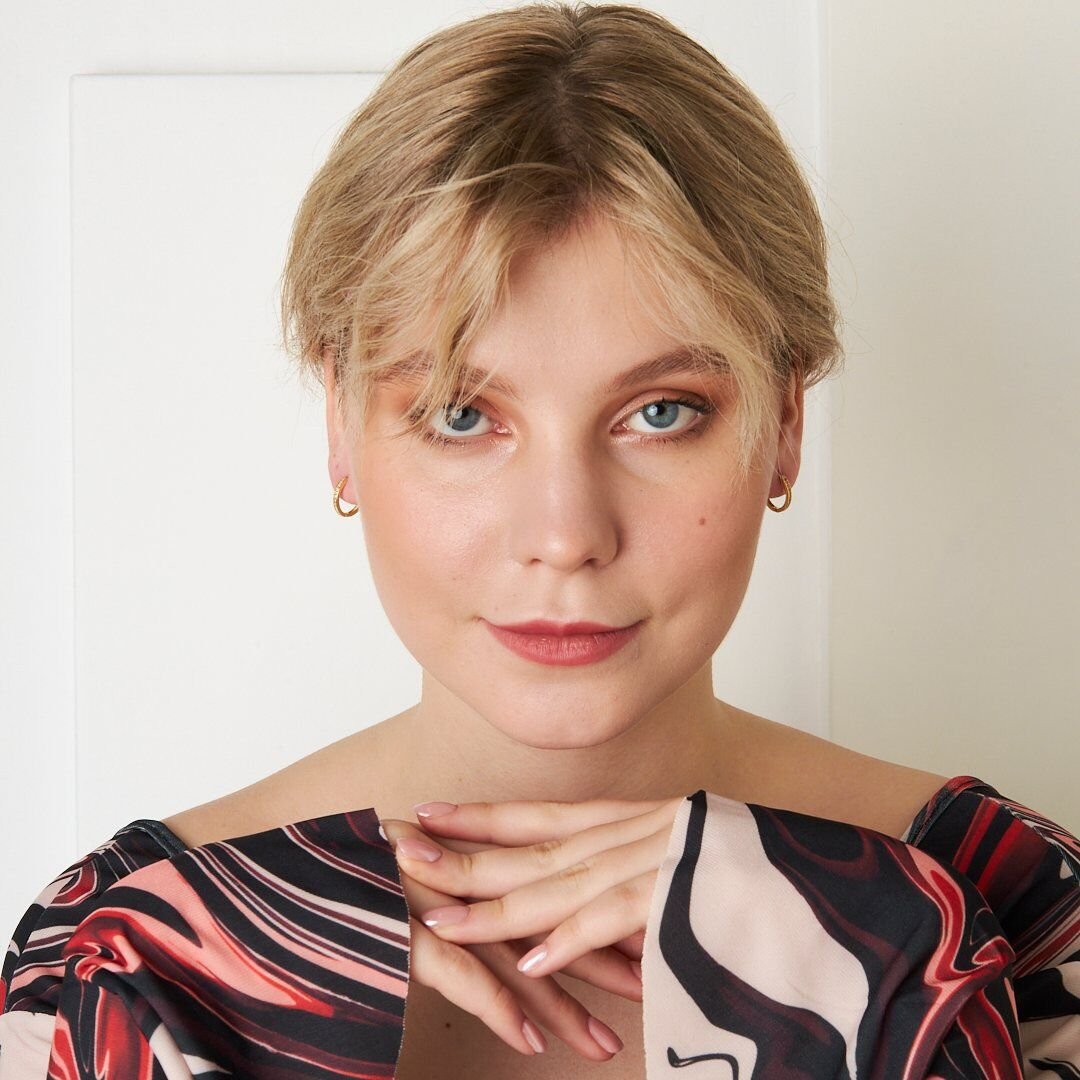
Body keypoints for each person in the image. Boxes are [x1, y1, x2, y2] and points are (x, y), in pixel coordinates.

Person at [2, 3, 1077, 1077]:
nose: (565, 536)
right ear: (339, 426)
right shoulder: (117, 959)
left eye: (661, 412)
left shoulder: (1024, 920)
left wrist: (872, 968)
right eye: (463, 415)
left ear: (785, 423)